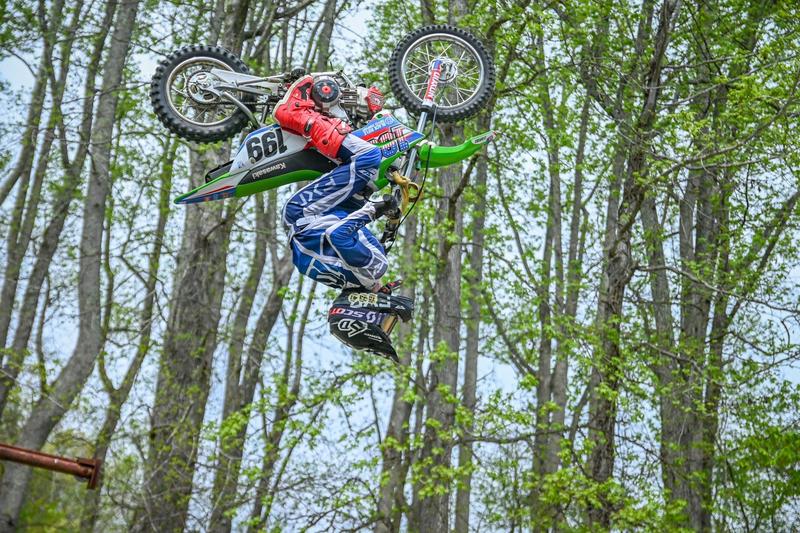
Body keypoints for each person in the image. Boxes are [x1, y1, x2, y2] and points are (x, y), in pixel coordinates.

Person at [273, 75, 413, 360]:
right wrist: (388, 219)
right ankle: (344, 116)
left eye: (384, 320)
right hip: (316, 217)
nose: (388, 316)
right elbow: (346, 243)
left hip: (306, 213)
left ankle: (295, 114)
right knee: (374, 178)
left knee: (368, 159)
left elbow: (340, 236)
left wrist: (376, 209)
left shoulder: (370, 270)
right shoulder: (348, 278)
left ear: (366, 311)